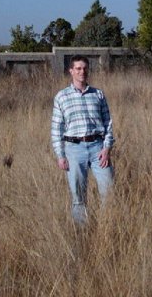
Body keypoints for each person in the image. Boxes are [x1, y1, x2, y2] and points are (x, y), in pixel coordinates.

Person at [51, 55, 114, 225]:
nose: (82, 72)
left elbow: (108, 122)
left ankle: (106, 228)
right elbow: (56, 129)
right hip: (74, 149)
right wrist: (60, 155)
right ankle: (82, 231)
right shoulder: (61, 97)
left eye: (85, 68)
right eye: (78, 68)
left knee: (109, 191)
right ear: (71, 71)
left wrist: (107, 148)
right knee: (78, 196)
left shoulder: (98, 94)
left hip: (98, 148)